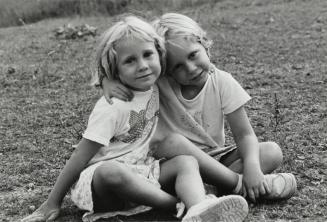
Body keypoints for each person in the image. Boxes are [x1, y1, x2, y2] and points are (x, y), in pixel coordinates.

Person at [21, 16, 249, 222]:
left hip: (143, 171)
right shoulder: (113, 105)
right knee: (111, 171)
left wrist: (105, 79)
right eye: (129, 61)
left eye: (148, 55)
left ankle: (199, 208)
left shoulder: (154, 85)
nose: (142, 66)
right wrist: (53, 201)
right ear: (115, 68)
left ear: (159, 55)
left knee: (186, 162)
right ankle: (175, 206)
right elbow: (81, 154)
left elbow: (164, 48)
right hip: (104, 184)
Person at [101, 13, 297, 203]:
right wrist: (106, 82)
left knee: (271, 151)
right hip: (174, 162)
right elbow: (117, 68)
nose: (191, 68)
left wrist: (253, 168)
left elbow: (245, 135)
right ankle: (234, 184)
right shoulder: (160, 83)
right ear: (165, 70)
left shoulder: (222, 81)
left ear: (204, 45)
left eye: (193, 55)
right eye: (177, 66)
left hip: (214, 159)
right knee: (174, 142)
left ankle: (206, 189)